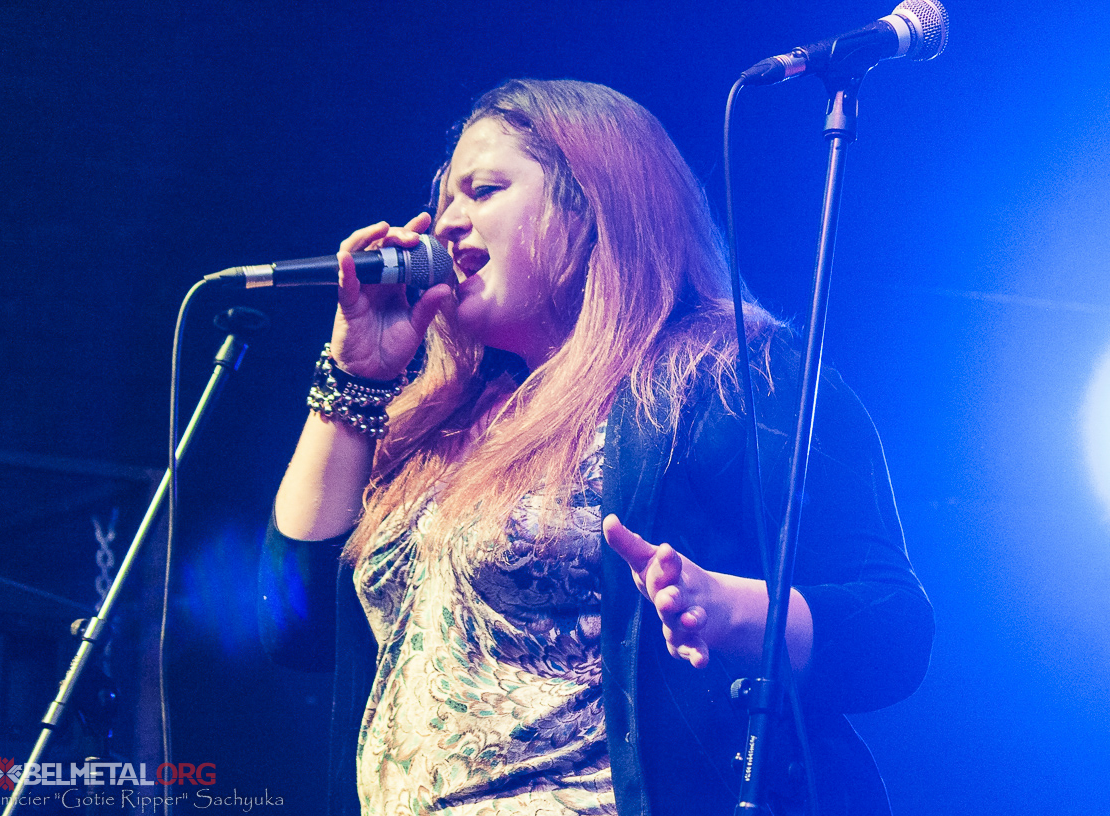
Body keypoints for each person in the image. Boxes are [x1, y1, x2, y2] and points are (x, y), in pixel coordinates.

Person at [259, 78, 933, 816]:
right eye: (444, 197)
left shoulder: (727, 376)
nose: (444, 224)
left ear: (591, 204)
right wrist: (353, 379)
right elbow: (295, 626)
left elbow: (893, 630)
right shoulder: (442, 423)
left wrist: (726, 608)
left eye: (483, 190)